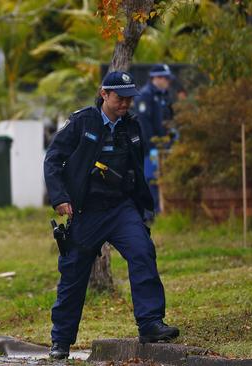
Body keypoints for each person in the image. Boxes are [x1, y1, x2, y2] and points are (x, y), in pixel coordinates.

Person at [43, 71, 179, 360]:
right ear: (104, 94)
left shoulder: (132, 127)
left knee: (142, 252)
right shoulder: (82, 122)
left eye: (130, 98)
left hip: (120, 209)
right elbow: (53, 159)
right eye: (120, 98)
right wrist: (60, 197)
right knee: (73, 274)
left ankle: (150, 323)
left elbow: (137, 170)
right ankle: (61, 341)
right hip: (86, 211)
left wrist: (142, 207)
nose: (126, 103)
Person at [133, 64, 175, 214]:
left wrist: (171, 136)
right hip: (150, 147)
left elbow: (168, 118)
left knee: (161, 177)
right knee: (151, 178)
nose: (168, 81)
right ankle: (151, 212)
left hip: (163, 145)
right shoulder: (146, 95)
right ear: (156, 78)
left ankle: (161, 210)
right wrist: (152, 146)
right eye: (165, 78)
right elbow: (144, 123)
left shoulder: (164, 94)